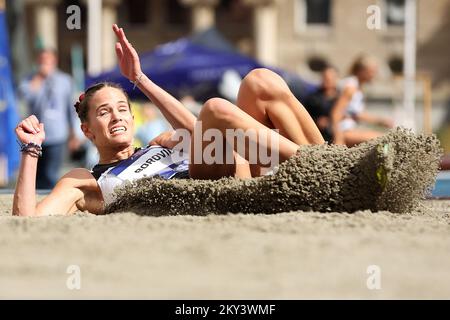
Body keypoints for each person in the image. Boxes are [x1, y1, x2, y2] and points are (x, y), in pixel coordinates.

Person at [12, 24, 324, 216]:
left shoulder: (156, 143)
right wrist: (30, 151)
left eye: (122, 108)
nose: (117, 115)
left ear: (133, 118)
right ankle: (326, 168)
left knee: (260, 81)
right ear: (87, 130)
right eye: (104, 112)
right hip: (219, 190)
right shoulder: (86, 181)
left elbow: (201, 136)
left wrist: (139, 78)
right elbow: (28, 219)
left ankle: (330, 161)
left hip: (246, 168)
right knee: (214, 108)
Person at [18, 48, 81, 189]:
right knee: (33, 173)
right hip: (34, 134)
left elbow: (70, 109)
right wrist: (39, 79)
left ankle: (46, 202)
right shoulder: (29, 80)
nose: (44, 63)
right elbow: (24, 98)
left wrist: (74, 133)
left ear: (54, 61)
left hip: (57, 135)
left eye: (47, 60)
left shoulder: (65, 80)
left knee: (50, 174)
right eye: (41, 60)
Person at [330, 55, 393, 146]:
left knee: (387, 140)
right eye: (372, 72)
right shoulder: (350, 87)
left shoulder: (357, 86)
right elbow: (336, 113)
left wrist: (381, 121)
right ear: (361, 71)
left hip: (349, 129)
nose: (374, 75)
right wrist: (338, 139)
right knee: (385, 141)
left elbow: (356, 114)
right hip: (343, 131)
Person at [304, 65, 339, 142]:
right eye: (325, 78)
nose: (327, 81)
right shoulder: (313, 97)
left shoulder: (341, 97)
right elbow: (304, 115)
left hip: (337, 132)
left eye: (330, 79)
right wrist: (317, 121)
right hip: (318, 134)